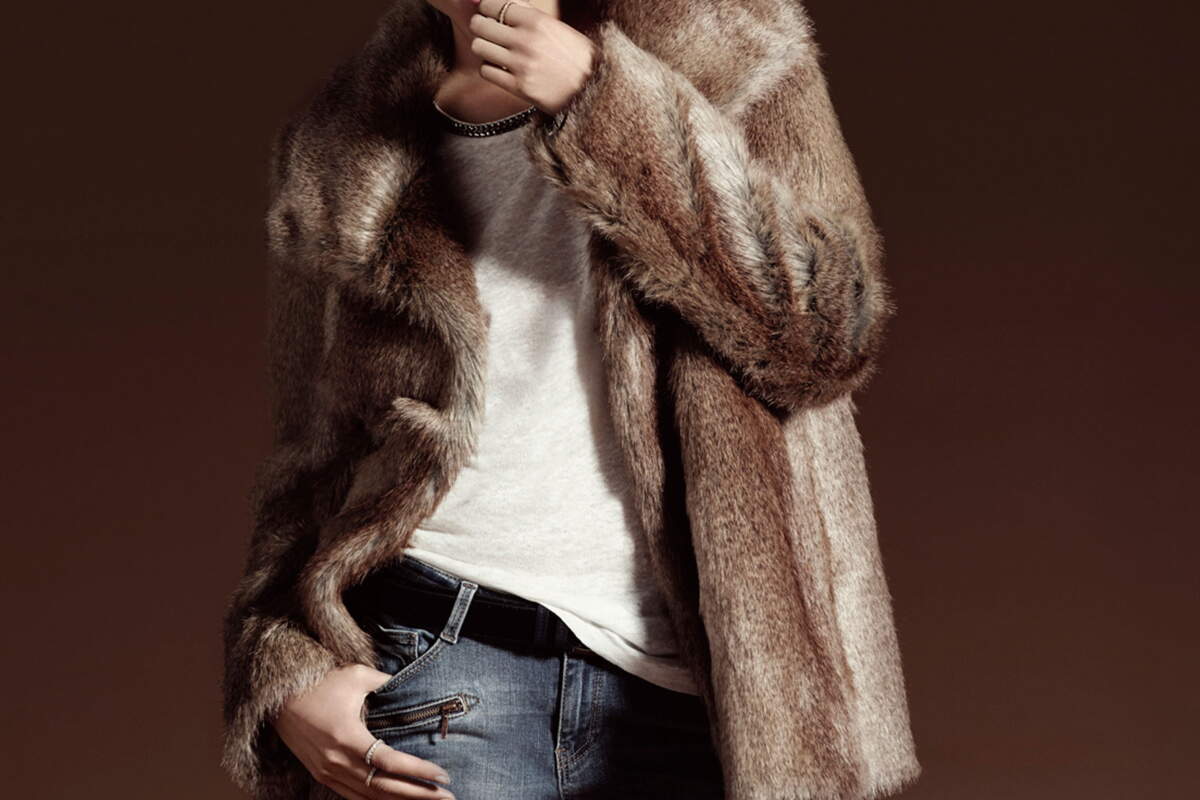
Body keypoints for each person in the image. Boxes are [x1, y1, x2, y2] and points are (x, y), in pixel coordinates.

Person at [221, 1, 921, 799]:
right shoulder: (343, 138)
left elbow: (828, 336)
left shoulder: (731, 45)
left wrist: (603, 101)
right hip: (438, 652)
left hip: (710, 691)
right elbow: (308, 458)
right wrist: (282, 671)